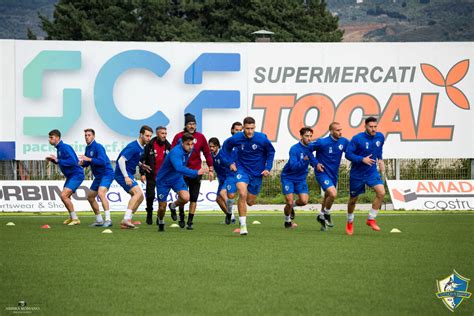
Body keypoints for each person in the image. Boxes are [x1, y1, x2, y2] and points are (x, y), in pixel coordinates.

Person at [222, 116, 275, 235]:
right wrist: (230, 162)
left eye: (252, 128)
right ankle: (243, 226)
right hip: (242, 170)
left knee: (250, 201)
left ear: (255, 127)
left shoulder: (262, 138)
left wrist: (268, 168)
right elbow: (225, 148)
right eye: (247, 128)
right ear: (243, 128)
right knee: (242, 193)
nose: (249, 131)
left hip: (257, 173)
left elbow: (271, 152)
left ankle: (243, 212)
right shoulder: (236, 138)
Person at [170, 113, 214, 230]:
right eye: (189, 124)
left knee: (193, 197)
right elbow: (172, 153)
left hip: (196, 171)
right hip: (182, 172)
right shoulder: (178, 137)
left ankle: (190, 221)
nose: (192, 126)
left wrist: (210, 168)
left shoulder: (200, 137)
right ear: (185, 125)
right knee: (184, 197)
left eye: (194, 124)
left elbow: (207, 153)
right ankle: (181, 217)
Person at [156, 133, 207, 232]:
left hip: (176, 178)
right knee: (162, 208)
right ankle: (161, 221)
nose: (191, 146)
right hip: (163, 180)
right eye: (188, 144)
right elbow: (179, 168)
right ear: (182, 143)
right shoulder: (175, 152)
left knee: (186, 198)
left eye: (192, 144)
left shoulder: (188, 148)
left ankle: (173, 206)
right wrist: (196, 172)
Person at [345, 116, 385, 235]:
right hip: (357, 174)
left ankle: (371, 219)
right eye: (370, 127)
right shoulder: (357, 138)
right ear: (365, 126)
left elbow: (379, 150)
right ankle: (349, 222)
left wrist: (380, 160)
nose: (373, 129)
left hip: (371, 171)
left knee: (381, 192)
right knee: (353, 200)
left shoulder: (380, 137)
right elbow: (348, 154)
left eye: (375, 126)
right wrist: (361, 159)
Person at [310, 122, 349, 231]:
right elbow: (307, 150)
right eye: (337, 130)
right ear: (331, 131)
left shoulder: (344, 141)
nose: (340, 132)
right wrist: (315, 163)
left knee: (328, 195)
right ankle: (327, 213)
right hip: (322, 173)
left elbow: (351, 152)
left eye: (341, 130)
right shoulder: (322, 142)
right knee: (333, 193)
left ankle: (321, 215)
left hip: (333, 174)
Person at [114, 125, 153, 229]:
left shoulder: (141, 147)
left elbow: (132, 158)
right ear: (141, 135)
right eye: (147, 136)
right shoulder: (133, 146)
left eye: (150, 136)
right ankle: (126, 219)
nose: (149, 138)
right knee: (137, 193)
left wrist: (141, 165)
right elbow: (121, 160)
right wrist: (126, 176)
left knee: (140, 198)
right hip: (122, 174)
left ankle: (128, 220)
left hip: (128, 173)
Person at [280, 127, 317, 229]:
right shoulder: (294, 149)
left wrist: (317, 165)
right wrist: (304, 160)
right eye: (306, 136)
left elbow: (313, 159)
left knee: (304, 201)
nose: (309, 138)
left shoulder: (311, 147)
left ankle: (292, 207)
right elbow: (293, 166)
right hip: (288, 177)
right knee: (289, 202)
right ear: (301, 136)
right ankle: (287, 221)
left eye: (310, 136)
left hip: (301, 178)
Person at [46, 129, 85, 226]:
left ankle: (75, 219)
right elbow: (64, 162)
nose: (49, 140)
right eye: (49, 138)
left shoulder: (64, 147)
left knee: (64, 195)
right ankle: (72, 217)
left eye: (51, 137)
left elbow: (73, 161)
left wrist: (57, 160)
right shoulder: (59, 148)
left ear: (58, 138)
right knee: (65, 197)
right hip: (71, 176)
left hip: (76, 175)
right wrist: (54, 161)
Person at [79, 128, 115, 227]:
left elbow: (102, 162)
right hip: (99, 176)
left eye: (89, 135)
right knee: (90, 197)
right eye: (85, 135)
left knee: (101, 193)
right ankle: (99, 220)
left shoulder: (98, 147)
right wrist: (82, 163)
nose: (87, 137)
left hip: (107, 173)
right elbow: (87, 163)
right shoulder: (88, 148)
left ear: (93, 136)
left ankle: (108, 220)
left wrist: (88, 159)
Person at [140, 126, 171, 225]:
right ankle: (149, 213)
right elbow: (142, 160)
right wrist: (142, 173)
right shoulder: (149, 145)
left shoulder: (168, 146)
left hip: (163, 177)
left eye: (165, 133)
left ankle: (159, 216)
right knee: (150, 196)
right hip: (151, 175)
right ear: (157, 134)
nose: (164, 135)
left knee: (161, 198)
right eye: (162, 133)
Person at [208, 137, 236, 224]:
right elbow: (210, 165)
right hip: (221, 179)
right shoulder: (211, 155)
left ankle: (232, 213)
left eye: (213, 146)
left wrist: (232, 165)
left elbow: (230, 162)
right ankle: (230, 217)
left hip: (229, 177)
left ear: (217, 146)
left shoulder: (223, 154)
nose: (211, 148)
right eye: (210, 146)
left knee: (222, 193)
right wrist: (210, 171)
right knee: (218, 199)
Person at [225, 122, 243, 221]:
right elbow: (223, 156)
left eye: (241, 130)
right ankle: (229, 211)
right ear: (232, 130)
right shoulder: (228, 143)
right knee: (231, 196)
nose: (239, 132)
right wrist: (230, 163)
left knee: (242, 195)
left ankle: (242, 220)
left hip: (242, 174)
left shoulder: (245, 144)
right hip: (230, 174)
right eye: (237, 130)